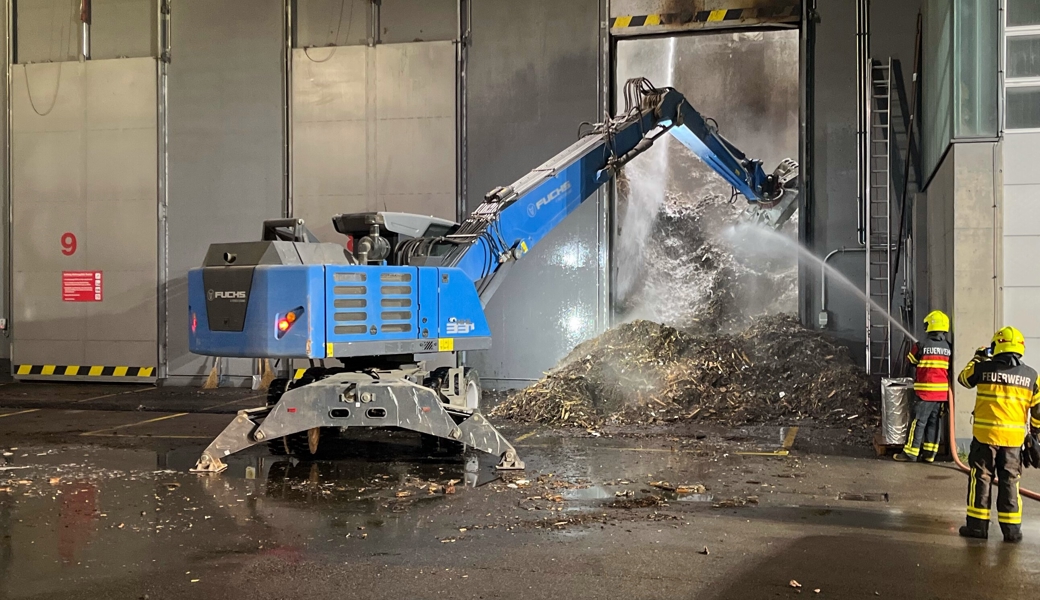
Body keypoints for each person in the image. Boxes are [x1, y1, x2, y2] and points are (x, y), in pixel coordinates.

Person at [956, 326, 1040, 542]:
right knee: (1010, 482)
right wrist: (1035, 435)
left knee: (981, 479)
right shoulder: (1032, 375)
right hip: (1013, 442)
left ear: (997, 346)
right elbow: (1038, 409)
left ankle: (977, 527)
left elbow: (963, 379)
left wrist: (977, 357)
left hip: (985, 438)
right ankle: (1011, 531)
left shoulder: (982, 368)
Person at [894, 310, 952, 462]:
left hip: (924, 393)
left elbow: (911, 361)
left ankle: (910, 453)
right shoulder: (949, 347)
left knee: (918, 422)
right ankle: (929, 454)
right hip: (941, 396)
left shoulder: (921, 345)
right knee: (934, 423)